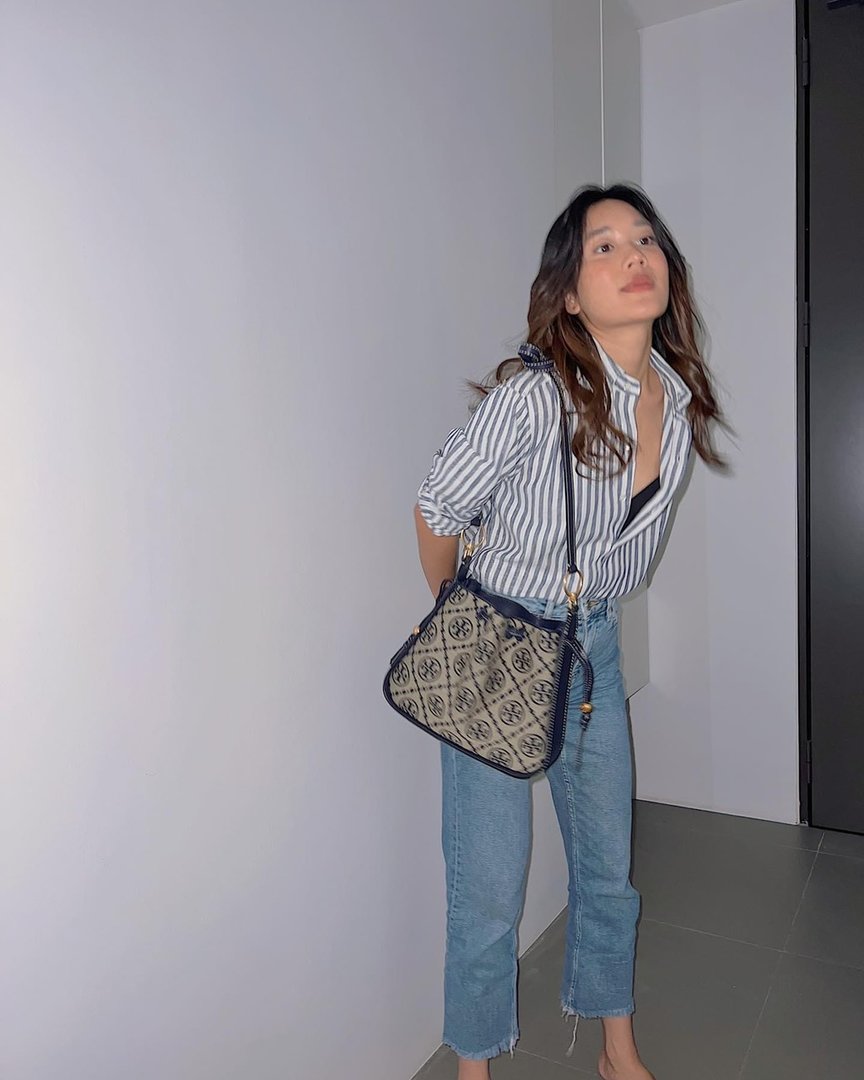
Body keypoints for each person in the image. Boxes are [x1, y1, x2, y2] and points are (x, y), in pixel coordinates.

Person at [412, 183, 726, 1080]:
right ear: (570, 293)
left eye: (645, 240)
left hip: (595, 649)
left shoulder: (676, 399)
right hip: (501, 646)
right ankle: (474, 1067)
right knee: (489, 886)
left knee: (607, 870)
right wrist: (459, 616)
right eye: (604, 246)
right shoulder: (534, 398)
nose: (634, 256)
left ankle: (617, 1050)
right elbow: (438, 508)